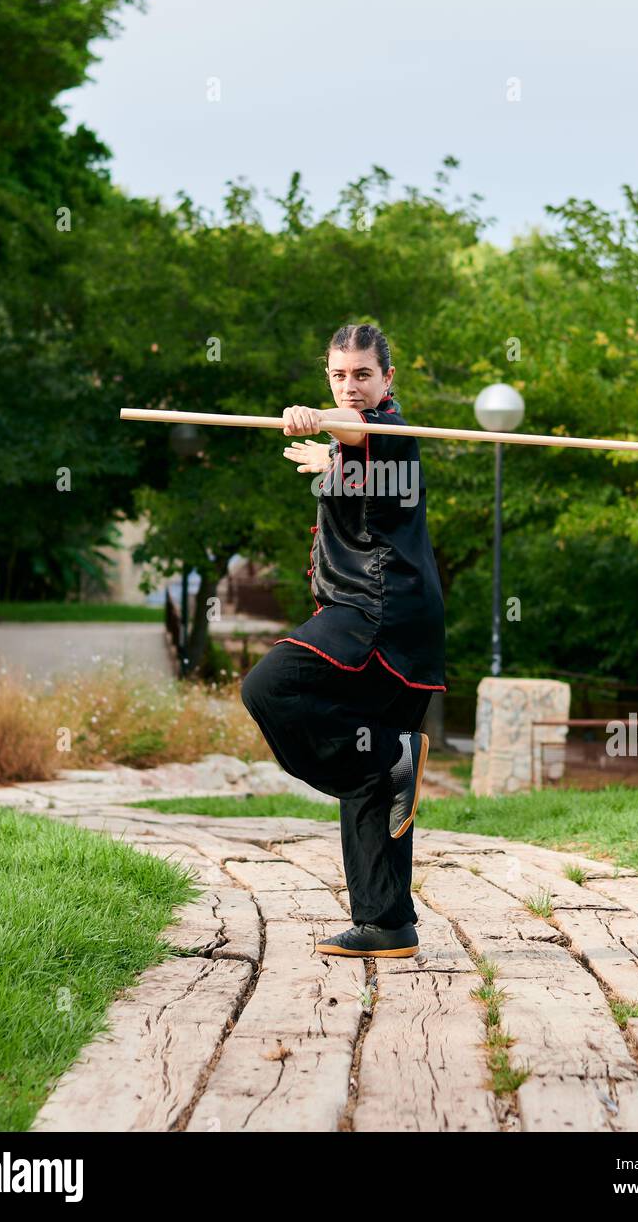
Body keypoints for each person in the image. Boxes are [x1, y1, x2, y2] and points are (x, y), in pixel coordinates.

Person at [240, 322, 446, 958]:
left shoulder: (391, 432)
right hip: (399, 622)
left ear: (388, 380)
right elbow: (355, 468)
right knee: (370, 779)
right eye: (338, 376)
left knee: (271, 685)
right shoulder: (355, 448)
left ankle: (389, 758)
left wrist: (322, 423)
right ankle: (386, 922)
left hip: (377, 613)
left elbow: (361, 436)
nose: (351, 386)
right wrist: (326, 460)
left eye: (362, 374)